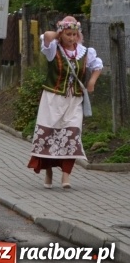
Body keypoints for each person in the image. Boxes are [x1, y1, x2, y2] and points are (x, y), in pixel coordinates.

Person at [28, 16, 103, 189]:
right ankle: (48, 173)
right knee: (49, 137)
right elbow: (46, 36)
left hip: (74, 100)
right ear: (61, 34)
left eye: (74, 34)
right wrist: (59, 32)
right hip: (52, 100)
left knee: (71, 136)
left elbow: (97, 66)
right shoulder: (53, 49)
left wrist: (92, 81)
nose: (71, 38)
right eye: (68, 34)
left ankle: (65, 176)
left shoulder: (85, 52)